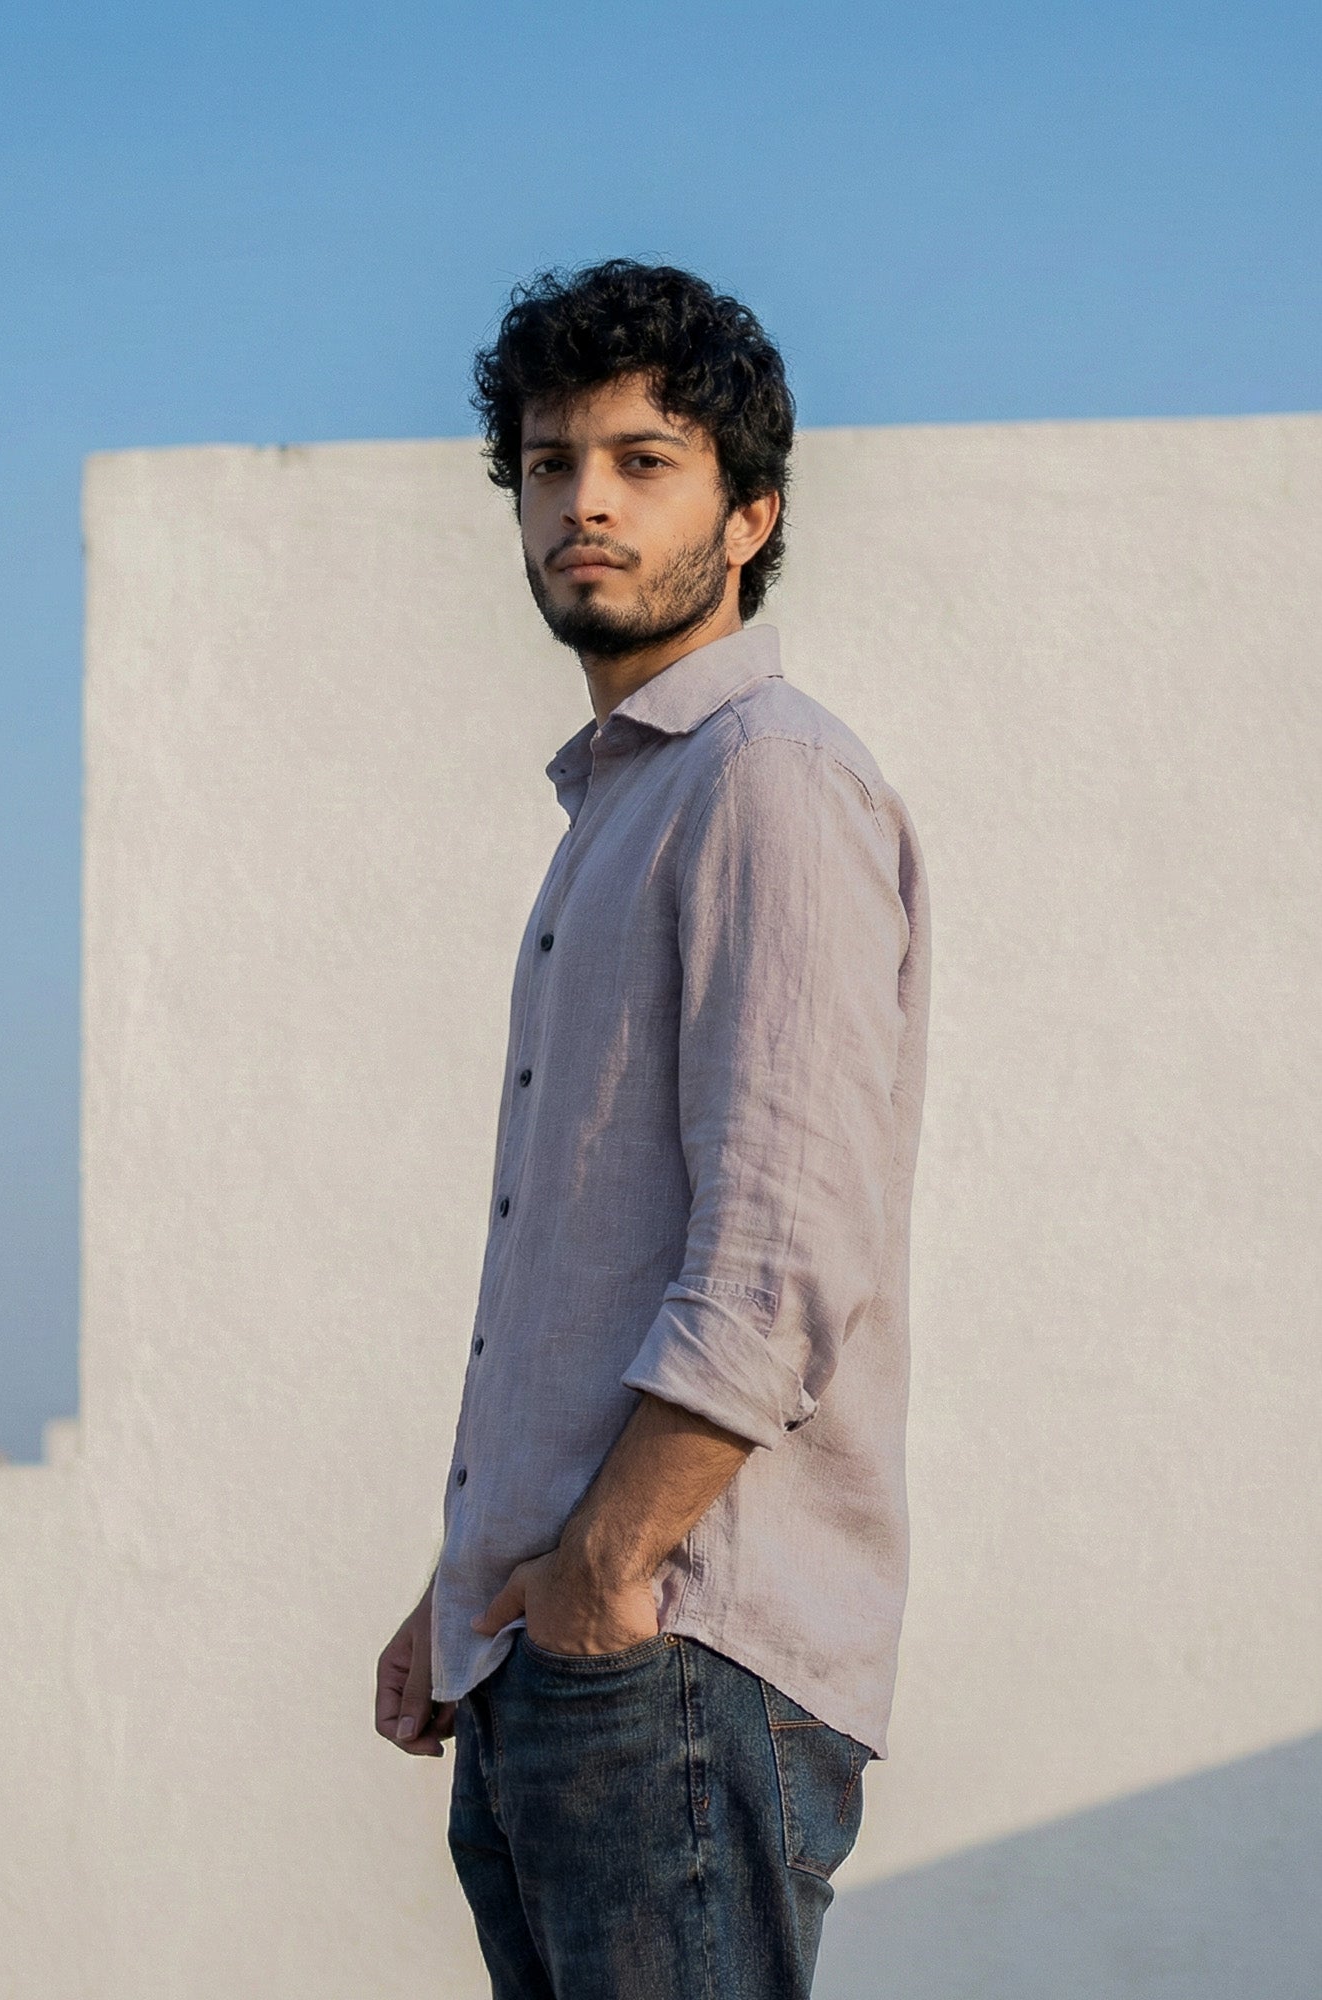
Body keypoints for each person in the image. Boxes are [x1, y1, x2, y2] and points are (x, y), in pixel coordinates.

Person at [375, 258, 931, 2000]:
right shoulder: (618, 807)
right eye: (549, 464)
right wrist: (469, 1588)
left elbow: (782, 1249)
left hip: (671, 1649)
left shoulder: (766, 778)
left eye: (641, 459)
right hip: (557, 1649)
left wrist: (605, 1571)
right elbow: (581, 1266)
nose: (583, 502)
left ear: (749, 513)